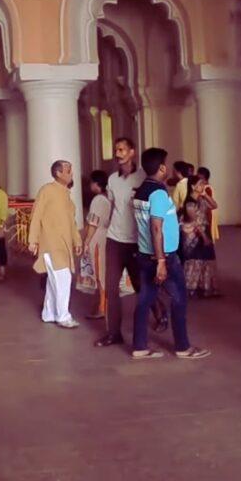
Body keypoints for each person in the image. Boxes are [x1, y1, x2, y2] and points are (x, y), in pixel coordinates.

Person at [129, 149, 210, 361]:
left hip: (146, 254)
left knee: (145, 299)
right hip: (163, 257)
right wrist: (162, 262)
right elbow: (156, 227)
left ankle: (140, 347)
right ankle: (183, 347)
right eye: (165, 164)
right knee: (179, 299)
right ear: (162, 168)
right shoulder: (158, 194)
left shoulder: (140, 191)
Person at [96, 138, 146, 347]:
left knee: (141, 285)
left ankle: (159, 311)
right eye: (116, 150)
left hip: (136, 241)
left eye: (122, 150)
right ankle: (114, 333)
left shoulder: (143, 177)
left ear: (132, 152)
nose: (118, 153)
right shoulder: (112, 179)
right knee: (111, 287)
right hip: (114, 239)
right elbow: (113, 204)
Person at [28, 160, 82, 329]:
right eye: (68, 170)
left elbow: (71, 222)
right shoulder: (47, 190)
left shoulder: (66, 194)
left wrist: (77, 240)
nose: (71, 173)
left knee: (55, 280)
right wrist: (33, 240)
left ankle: (49, 313)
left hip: (64, 243)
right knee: (62, 278)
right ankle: (63, 316)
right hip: (50, 243)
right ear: (58, 173)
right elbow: (36, 215)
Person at [77, 171, 112, 319]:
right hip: (106, 235)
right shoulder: (108, 198)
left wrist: (86, 241)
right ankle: (102, 305)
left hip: (97, 238)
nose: (90, 185)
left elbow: (93, 224)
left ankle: (103, 308)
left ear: (97, 184)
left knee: (99, 273)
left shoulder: (98, 200)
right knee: (102, 272)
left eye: (91, 182)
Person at [184, 174, 219, 298]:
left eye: (203, 184)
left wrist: (205, 195)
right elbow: (195, 222)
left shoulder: (202, 199)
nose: (202, 186)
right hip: (195, 234)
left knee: (208, 259)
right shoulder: (190, 202)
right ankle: (191, 288)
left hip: (205, 230)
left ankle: (206, 288)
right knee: (196, 260)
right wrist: (204, 237)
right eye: (200, 184)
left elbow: (215, 205)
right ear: (193, 186)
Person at [178, 199, 211, 299]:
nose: (192, 213)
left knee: (195, 266)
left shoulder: (196, 223)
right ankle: (187, 288)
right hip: (185, 247)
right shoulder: (182, 220)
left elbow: (204, 238)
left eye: (194, 211)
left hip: (192, 249)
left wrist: (205, 238)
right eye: (190, 211)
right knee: (188, 266)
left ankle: (194, 288)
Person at [196, 167, 219, 242]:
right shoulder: (207, 187)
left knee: (208, 231)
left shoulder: (206, 188)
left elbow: (212, 204)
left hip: (208, 213)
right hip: (208, 212)